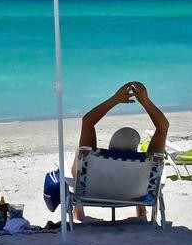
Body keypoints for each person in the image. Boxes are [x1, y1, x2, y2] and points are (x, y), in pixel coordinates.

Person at [71, 81, 169, 223]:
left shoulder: (93, 160)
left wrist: (115, 99)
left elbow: (87, 121)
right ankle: (141, 208)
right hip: (134, 194)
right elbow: (163, 127)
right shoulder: (147, 163)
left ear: (111, 146)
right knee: (145, 173)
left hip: (95, 193)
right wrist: (145, 101)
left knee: (80, 155)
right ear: (135, 149)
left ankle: (78, 210)